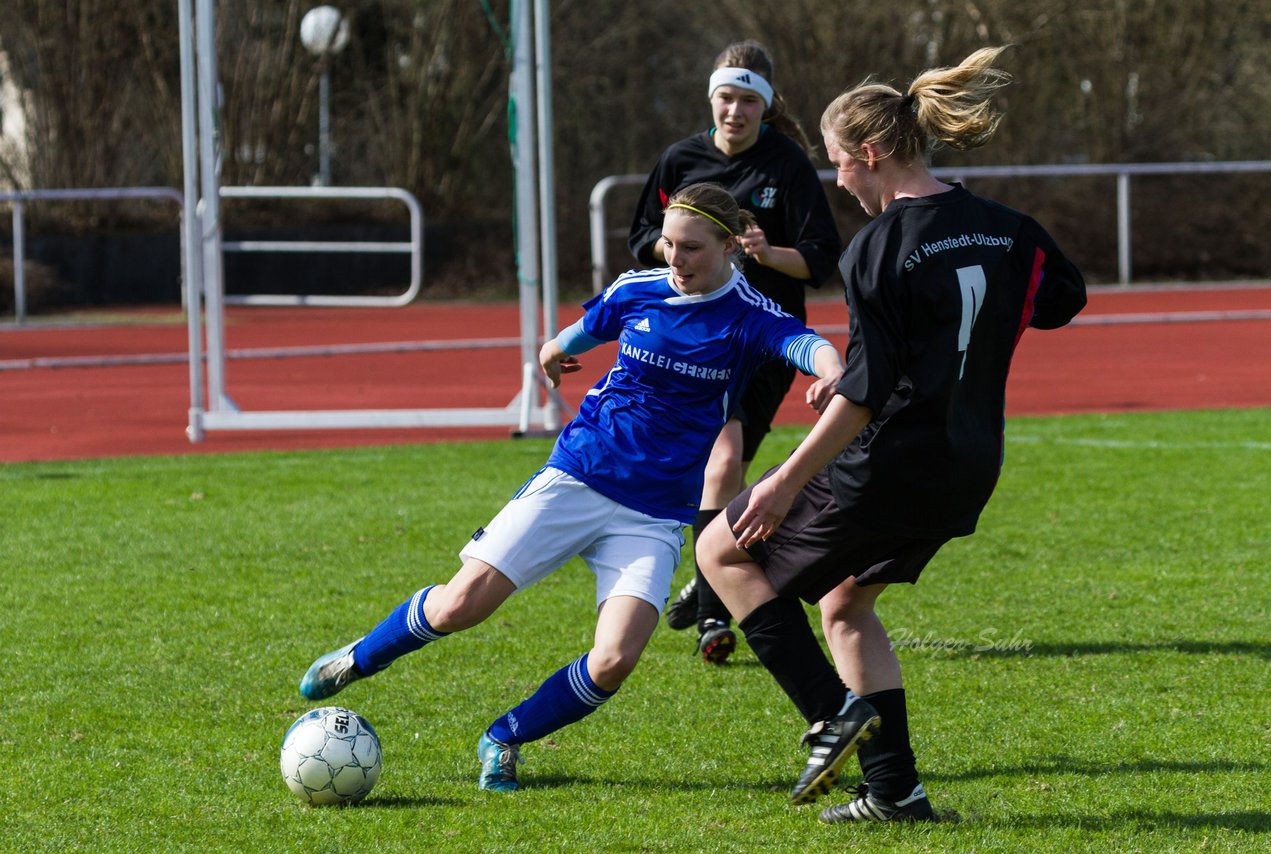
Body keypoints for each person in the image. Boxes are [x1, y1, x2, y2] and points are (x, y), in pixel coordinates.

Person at [299, 182, 844, 792]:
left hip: (654, 512)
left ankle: (503, 738)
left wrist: (831, 374)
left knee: (614, 661)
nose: (674, 259)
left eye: (691, 248)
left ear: (728, 245)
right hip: (579, 475)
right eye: (668, 244)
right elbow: (575, 336)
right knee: (460, 606)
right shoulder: (637, 289)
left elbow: (809, 343)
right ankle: (356, 659)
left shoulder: (747, 314)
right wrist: (553, 352)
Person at [697, 46, 1087, 823]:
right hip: (969, 463)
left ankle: (829, 714)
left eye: (840, 163)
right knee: (844, 605)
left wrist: (782, 481)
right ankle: (896, 793)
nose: (838, 179)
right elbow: (1057, 302)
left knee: (720, 551)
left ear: (871, 154)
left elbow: (868, 398)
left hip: (892, 463)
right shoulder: (1009, 229)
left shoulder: (875, 247)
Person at [628, 40, 842, 664]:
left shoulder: (788, 166)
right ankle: (715, 571)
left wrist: (765, 252)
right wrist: (680, 253)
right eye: (726, 96)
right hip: (692, 338)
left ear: (766, 105)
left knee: (721, 465)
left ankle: (714, 611)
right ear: (711, 98)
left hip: (760, 340)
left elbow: (822, 262)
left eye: (749, 99)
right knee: (702, 468)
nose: (735, 110)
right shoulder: (680, 160)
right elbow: (643, 237)